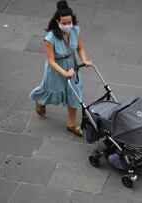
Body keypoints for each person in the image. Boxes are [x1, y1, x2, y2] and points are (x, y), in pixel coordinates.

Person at [30, 0, 92, 136]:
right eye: (64, 23)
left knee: (74, 94)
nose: (68, 25)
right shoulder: (50, 38)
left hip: (72, 65)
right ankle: (40, 101)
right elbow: (51, 61)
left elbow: (80, 48)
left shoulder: (75, 30)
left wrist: (85, 59)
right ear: (57, 21)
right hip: (56, 69)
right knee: (51, 91)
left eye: (69, 22)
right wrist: (65, 73)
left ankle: (71, 123)